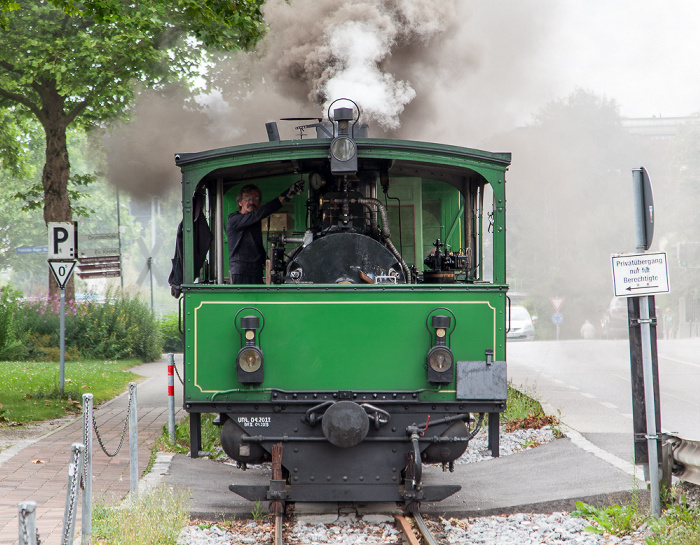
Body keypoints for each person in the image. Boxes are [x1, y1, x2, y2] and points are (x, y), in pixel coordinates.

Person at [226, 181, 304, 284]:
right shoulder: (234, 220)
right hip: (242, 271)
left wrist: (271, 263)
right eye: (248, 198)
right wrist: (285, 196)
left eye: (256, 199)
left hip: (256, 271)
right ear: (240, 202)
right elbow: (260, 213)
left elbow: (256, 246)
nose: (252, 202)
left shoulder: (255, 221)